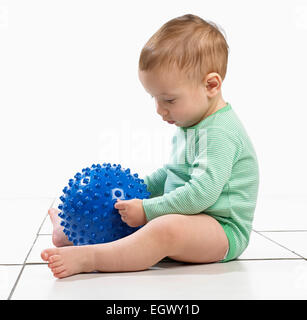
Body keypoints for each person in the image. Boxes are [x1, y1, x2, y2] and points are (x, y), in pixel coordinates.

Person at [41, 14, 259, 278]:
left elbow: (202, 194)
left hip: (221, 230)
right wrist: (136, 197)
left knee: (162, 229)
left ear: (211, 85)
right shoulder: (191, 123)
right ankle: (71, 231)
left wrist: (148, 210)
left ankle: (91, 257)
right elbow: (171, 173)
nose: (159, 110)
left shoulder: (220, 132)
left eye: (168, 99)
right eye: (154, 98)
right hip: (190, 217)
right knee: (126, 212)